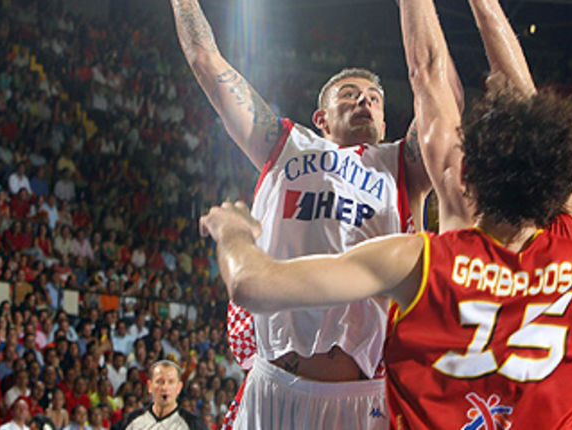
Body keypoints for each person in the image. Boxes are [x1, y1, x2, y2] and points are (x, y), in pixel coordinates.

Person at [200, 1, 572, 428]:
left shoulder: (423, 261)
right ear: (560, 178)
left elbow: (429, 74)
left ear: (468, 178)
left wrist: (233, 231)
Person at [168, 0, 462, 428]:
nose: (365, 100)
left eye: (375, 98)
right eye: (350, 94)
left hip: (361, 399)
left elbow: (444, 96)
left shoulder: (403, 164)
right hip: (275, 386)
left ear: (383, 119)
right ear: (321, 118)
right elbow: (207, 62)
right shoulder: (284, 144)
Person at [112, 360, 205, 430]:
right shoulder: (133, 419)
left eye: (171, 382)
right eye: (159, 382)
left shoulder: (193, 424)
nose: (164, 387)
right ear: (149, 386)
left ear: (179, 388)